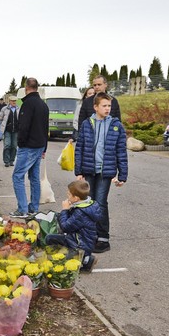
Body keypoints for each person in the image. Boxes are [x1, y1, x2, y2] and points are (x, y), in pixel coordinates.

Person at [74, 93, 128, 253]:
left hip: (106, 172)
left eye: (109, 106)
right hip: (89, 170)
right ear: (96, 107)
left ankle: (103, 239)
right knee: (89, 202)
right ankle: (89, 236)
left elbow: (121, 151)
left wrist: (122, 174)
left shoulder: (116, 125)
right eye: (104, 106)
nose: (107, 109)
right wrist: (79, 170)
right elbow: (80, 148)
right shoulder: (86, 124)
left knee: (100, 203)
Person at [10, 78, 49, 218]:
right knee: (34, 177)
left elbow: (23, 126)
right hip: (39, 145)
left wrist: (20, 142)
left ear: (26, 88)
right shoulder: (43, 105)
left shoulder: (27, 104)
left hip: (28, 146)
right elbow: (46, 128)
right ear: (37, 87)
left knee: (17, 176)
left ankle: (22, 209)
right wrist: (45, 147)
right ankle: (33, 208)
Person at [44, 180, 101, 272]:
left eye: (69, 194)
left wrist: (65, 210)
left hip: (79, 244)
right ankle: (83, 257)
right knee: (51, 238)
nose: (68, 196)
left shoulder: (81, 213)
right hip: (81, 240)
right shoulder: (88, 205)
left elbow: (65, 227)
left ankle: (86, 260)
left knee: (59, 262)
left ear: (76, 198)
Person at [0, 96, 19, 166]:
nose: (14, 102)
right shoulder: (4, 109)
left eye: (15, 101)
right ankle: (6, 161)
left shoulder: (18, 109)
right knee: (7, 145)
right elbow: (0, 119)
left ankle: (11, 160)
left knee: (14, 146)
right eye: (12, 101)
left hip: (16, 131)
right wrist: (2, 128)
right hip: (7, 130)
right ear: (9, 101)